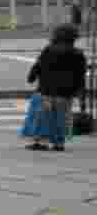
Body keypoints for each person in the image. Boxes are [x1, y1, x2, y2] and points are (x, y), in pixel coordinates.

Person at [26, 24, 86, 152]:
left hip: (46, 91)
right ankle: (58, 143)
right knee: (61, 118)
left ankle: (40, 142)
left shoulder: (49, 50)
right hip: (65, 93)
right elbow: (81, 75)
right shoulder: (78, 54)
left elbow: (38, 66)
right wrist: (80, 94)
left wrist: (31, 77)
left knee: (43, 117)